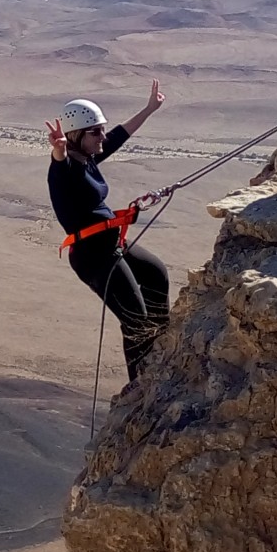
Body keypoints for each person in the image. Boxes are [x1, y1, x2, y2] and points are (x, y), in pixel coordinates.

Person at [46, 80, 170, 382]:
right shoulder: (66, 169)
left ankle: (161, 347)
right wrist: (58, 151)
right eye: (95, 131)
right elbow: (60, 167)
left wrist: (149, 109)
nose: (102, 136)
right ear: (76, 136)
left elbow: (118, 137)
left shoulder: (87, 159)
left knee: (156, 275)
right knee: (135, 320)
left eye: (102, 129)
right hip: (93, 257)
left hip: (110, 244)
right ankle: (141, 383)